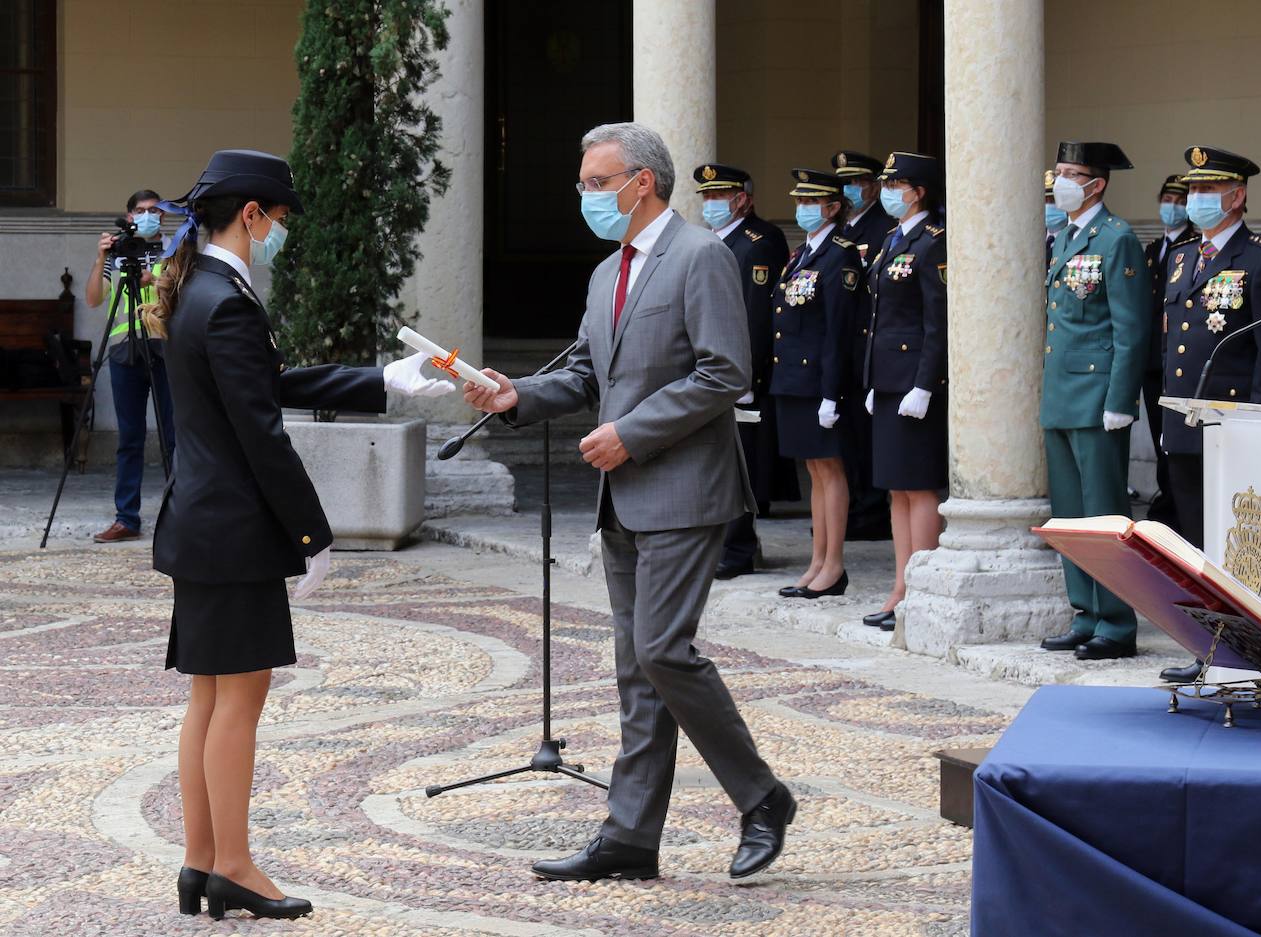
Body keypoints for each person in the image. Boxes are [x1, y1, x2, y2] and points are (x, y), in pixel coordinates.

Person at [464, 122, 794, 883]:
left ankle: (763, 795)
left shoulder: (701, 255)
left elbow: (723, 373)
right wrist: (517, 395)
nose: (585, 196)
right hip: (626, 498)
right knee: (635, 669)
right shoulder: (609, 270)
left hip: (685, 490)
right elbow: (584, 372)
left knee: (662, 650)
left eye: (596, 182)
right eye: (582, 184)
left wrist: (631, 435)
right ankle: (630, 836)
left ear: (641, 181)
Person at [145, 149, 453, 919]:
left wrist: (380, 380)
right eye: (278, 219)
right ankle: (236, 866)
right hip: (234, 529)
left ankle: (202, 860)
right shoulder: (230, 299)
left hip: (201, 521)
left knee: (209, 698)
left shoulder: (199, 288)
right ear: (250, 215)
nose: (280, 232)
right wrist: (315, 535)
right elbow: (262, 429)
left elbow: (265, 383)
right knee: (239, 698)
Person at [1157, 145, 1261, 684]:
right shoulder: (1182, 255)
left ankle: (1247, 647)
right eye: (1192, 191)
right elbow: (1174, 346)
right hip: (1183, 422)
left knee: (1234, 542)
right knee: (1195, 539)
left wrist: (1258, 423)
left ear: (1237, 196)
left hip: (1233, 424)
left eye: (1208, 191)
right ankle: (1208, 647)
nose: (1196, 200)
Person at [1038, 141, 1151, 661]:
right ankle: (1084, 612)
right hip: (1061, 390)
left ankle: (1117, 622)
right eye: (1058, 172)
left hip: (1097, 393)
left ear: (1096, 184)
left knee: (1103, 514)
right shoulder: (1064, 235)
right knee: (1069, 516)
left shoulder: (1117, 238)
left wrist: (1120, 399)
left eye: (1070, 173)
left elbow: (1131, 326)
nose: (1059, 181)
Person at [859, 152, 948, 632]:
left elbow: (936, 322)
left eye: (897, 184)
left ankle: (922, 586)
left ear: (919, 191)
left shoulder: (932, 242)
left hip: (915, 381)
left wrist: (924, 383)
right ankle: (900, 585)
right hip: (888, 379)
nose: (889, 191)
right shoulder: (893, 238)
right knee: (897, 488)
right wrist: (875, 379)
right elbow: (879, 319)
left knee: (918, 486)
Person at [693, 162, 795, 580]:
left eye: (719, 197)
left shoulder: (758, 242)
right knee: (712, 462)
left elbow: (756, 316)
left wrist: (746, 378)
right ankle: (717, 543)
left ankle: (737, 548)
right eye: (707, 197)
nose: (711, 204)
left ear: (742, 200)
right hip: (707, 368)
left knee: (741, 464)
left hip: (737, 374)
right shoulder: (710, 241)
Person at [772, 168, 864, 600]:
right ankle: (817, 559)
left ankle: (834, 565)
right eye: (800, 202)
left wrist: (831, 393)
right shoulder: (803, 253)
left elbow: (837, 330)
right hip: (793, 377)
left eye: (812, 203)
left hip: (818, 380)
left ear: (832, 208)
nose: (804, 209)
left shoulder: (840, 255)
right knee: (813, 471)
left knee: (830, 469)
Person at [84, 189, 175, 543]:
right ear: (129, 215)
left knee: (174, 435)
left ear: (162, 217)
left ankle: (179, 514)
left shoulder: (175, 248)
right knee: (130, 438)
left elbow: (187, 291)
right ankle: (126, 518)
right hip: (125, 351)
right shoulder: (118, 252)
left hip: (165, 347)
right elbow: (93, 299)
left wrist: (155, 280)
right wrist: (100, 258)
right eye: (140, 210)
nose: (148, 216)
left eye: (154, 211)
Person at [833, 149, 892, 542]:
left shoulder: (883, 228)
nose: (850, 189)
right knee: (847, 433)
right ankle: (852, 505)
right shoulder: (843, 228)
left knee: (867, 434)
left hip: (869, 342)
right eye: (845, 183)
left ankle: (870, 509)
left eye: (856, 182)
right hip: (845, 340)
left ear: (873, 186)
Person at [1141, 175, 1198, 529]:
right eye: (1167, 198)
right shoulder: (1152, 250)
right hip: (1152, 361)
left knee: (1179, 443)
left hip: (1180, 361)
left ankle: (1178, 505)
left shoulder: (1193, 247)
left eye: (1180, 199)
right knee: (1160, 437)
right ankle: (1166, 500)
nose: (1172, 205)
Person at [1044, 170, 1067, 266]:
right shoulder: (1032, 236)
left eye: (1054, 200)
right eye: (1045, 200)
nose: (1049, 205)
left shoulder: (1075, 236)